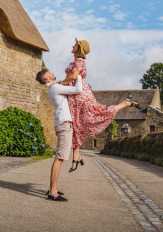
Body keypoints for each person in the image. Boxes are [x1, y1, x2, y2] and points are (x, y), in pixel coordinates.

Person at [56, 38, 140, 172]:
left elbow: (73, 77)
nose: (73, 45)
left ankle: (125, 103)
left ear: (79, 48)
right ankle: (76, 157)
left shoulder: (79, 61)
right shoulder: (75, 61)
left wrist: (58, 83)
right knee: (76, 125)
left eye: (75, 44)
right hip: (73, 96)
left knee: (99, 113)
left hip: (80, 95)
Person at [36, 67, 83, 202]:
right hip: (64, 124)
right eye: (49, 73)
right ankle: (52, 192)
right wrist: (78, 75)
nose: (52, 73)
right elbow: (77, 90)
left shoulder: (53, 87)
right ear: (46, 78)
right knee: (59, 158)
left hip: (62, 124)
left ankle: (53, 188)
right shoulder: (54, 88)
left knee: (59, 157)